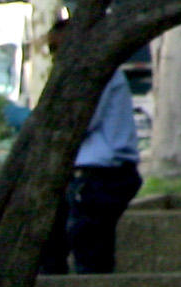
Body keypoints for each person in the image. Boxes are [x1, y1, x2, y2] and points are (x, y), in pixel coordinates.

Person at [41, 25, 144, 274]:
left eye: (57, 49)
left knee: (88, 245)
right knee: (57, 243)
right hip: (94, 170)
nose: (55, 57)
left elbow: (78, 120)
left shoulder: (95, 72)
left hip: (99, 171)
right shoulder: (93, 73)